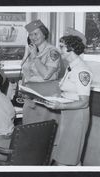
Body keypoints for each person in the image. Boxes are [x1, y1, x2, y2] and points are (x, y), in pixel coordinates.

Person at [45, 28, 93, 166]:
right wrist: (57, 97)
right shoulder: (71, 67)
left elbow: (84, 102)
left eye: (61, 46)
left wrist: (60, 105)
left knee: (66, 159)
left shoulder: (82, 70)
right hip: (68, 114)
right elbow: (70, 91)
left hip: (77, 116)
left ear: (71, 47)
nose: (59, 50)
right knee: (68, 157)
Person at [21, 19, 63, 124]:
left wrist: (35, 56)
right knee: (28, 128)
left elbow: (46, 75)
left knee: (44, 132)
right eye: (30, 35)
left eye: (36, 34)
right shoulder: (32, 50)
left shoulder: (53, 51)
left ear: (44, 34)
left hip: (46, 96)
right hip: (30, 95)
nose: (33, 37)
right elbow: (25, 71)